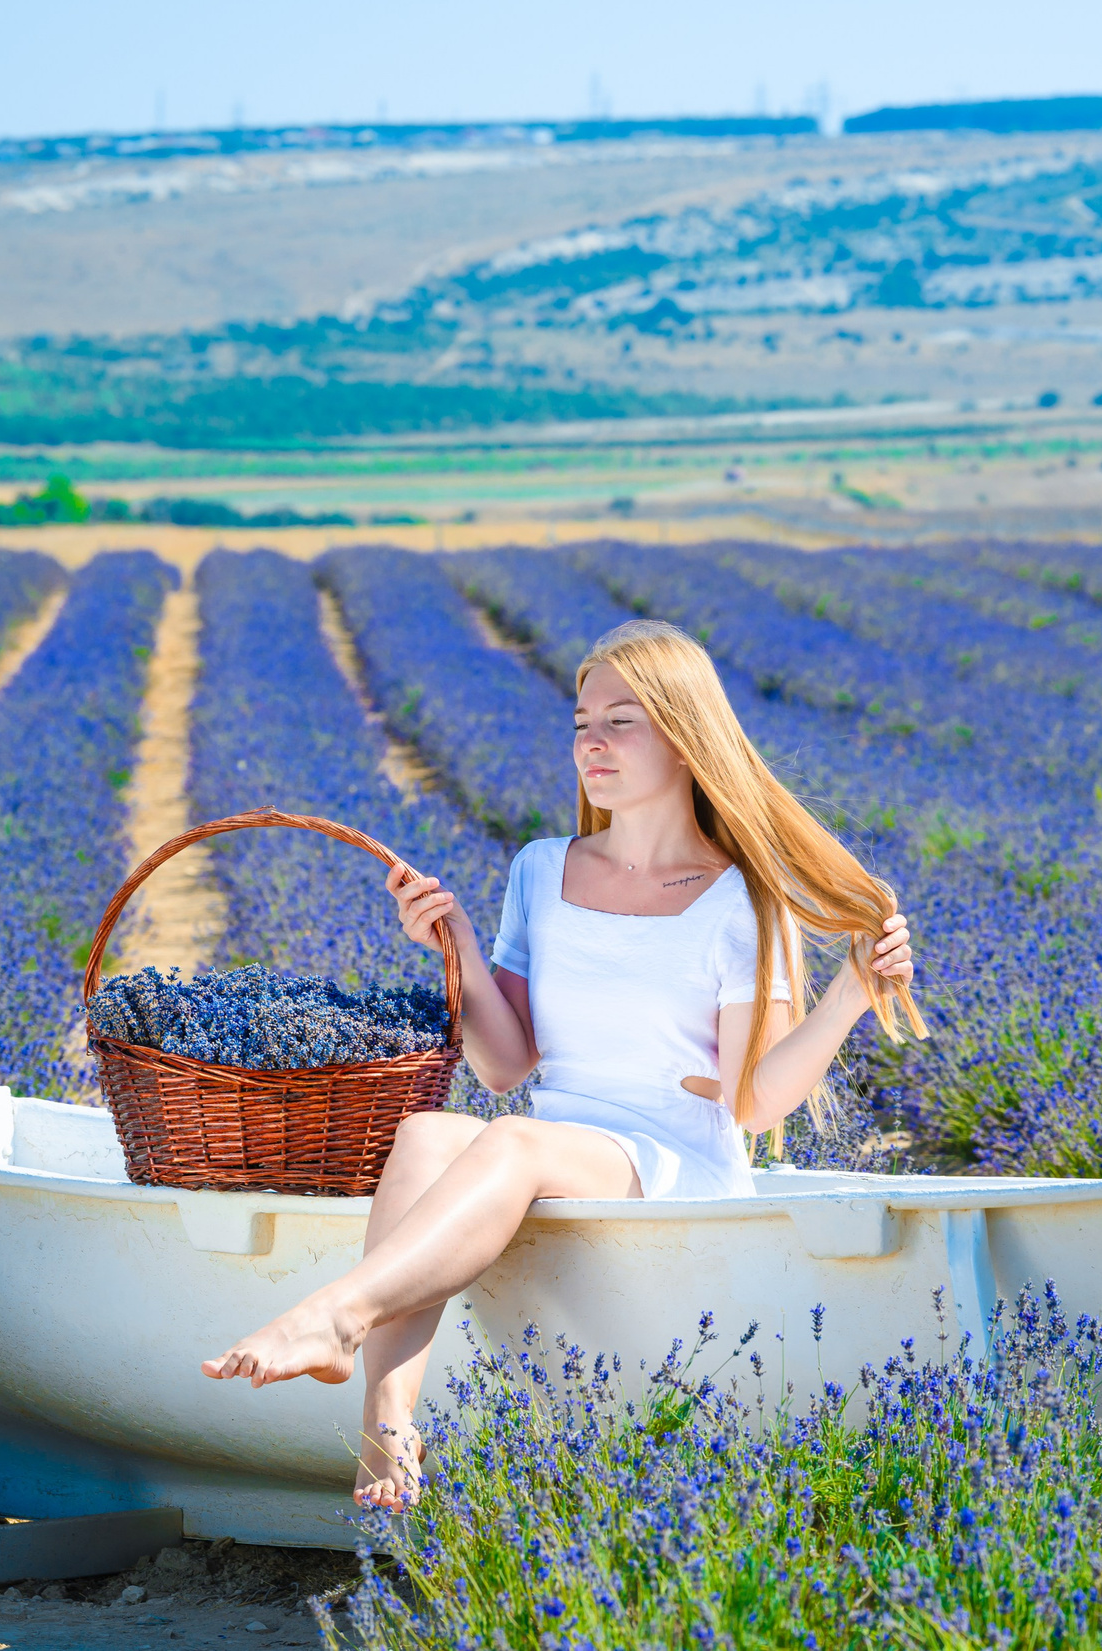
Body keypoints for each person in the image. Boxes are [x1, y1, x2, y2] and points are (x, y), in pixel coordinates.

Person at [199, 617, 920, 1507]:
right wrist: (454, 940)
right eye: (582, 721)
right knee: (427, 1132)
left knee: (514, 1145)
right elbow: (506, 1065)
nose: (592, 741)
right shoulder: (542, 870)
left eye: (623, 720)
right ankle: (386, 1431)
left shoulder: (739, 900)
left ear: (686, 738)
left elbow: (758, 1102)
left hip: (673, 1157)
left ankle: (337, 1315)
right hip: (562, 1136)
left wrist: (849, 996)